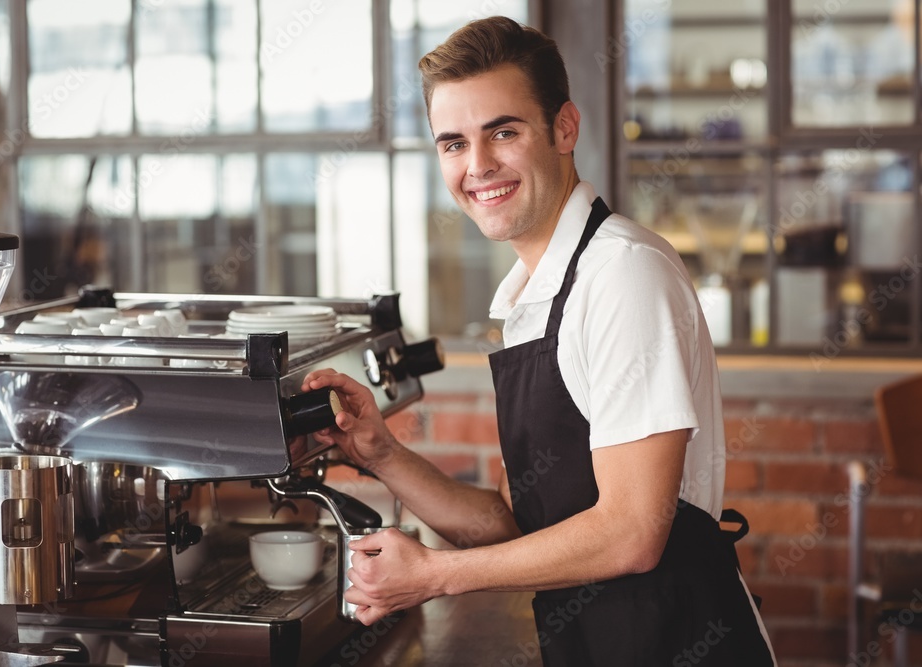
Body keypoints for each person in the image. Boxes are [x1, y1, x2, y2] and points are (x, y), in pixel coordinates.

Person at [302, 15, 777, 666]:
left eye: (503, 131)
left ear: (564, 128)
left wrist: (436, 574)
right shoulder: (533, 292)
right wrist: (381, 452)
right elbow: (516, 523)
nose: (478, 166)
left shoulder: (621, 275)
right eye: (453, 143)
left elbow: (633, 532)